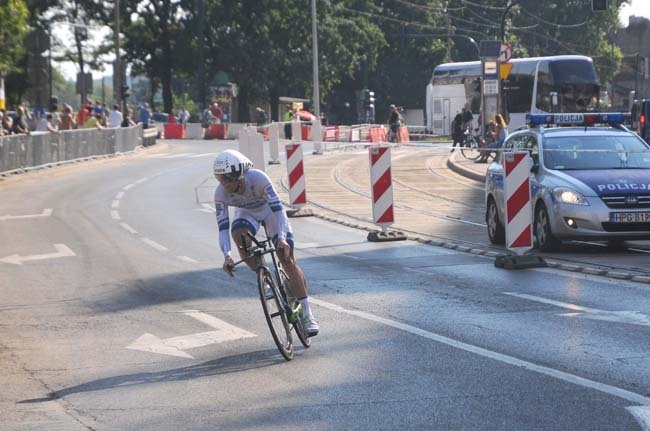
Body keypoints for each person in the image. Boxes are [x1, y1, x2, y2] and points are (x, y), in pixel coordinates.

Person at [213, 150, 319, 336]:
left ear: (239, 175)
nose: (224, 184)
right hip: (247, 213)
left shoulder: (258, 179)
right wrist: (227, 255)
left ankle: (308, 315)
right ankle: (264, 276)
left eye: (227, 179)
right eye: (220, 179)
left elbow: (278, 210)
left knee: (286, 259)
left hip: (270, 212)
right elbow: (222, 227)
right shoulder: (221, 193)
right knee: (238, 235)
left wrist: (281, 238)